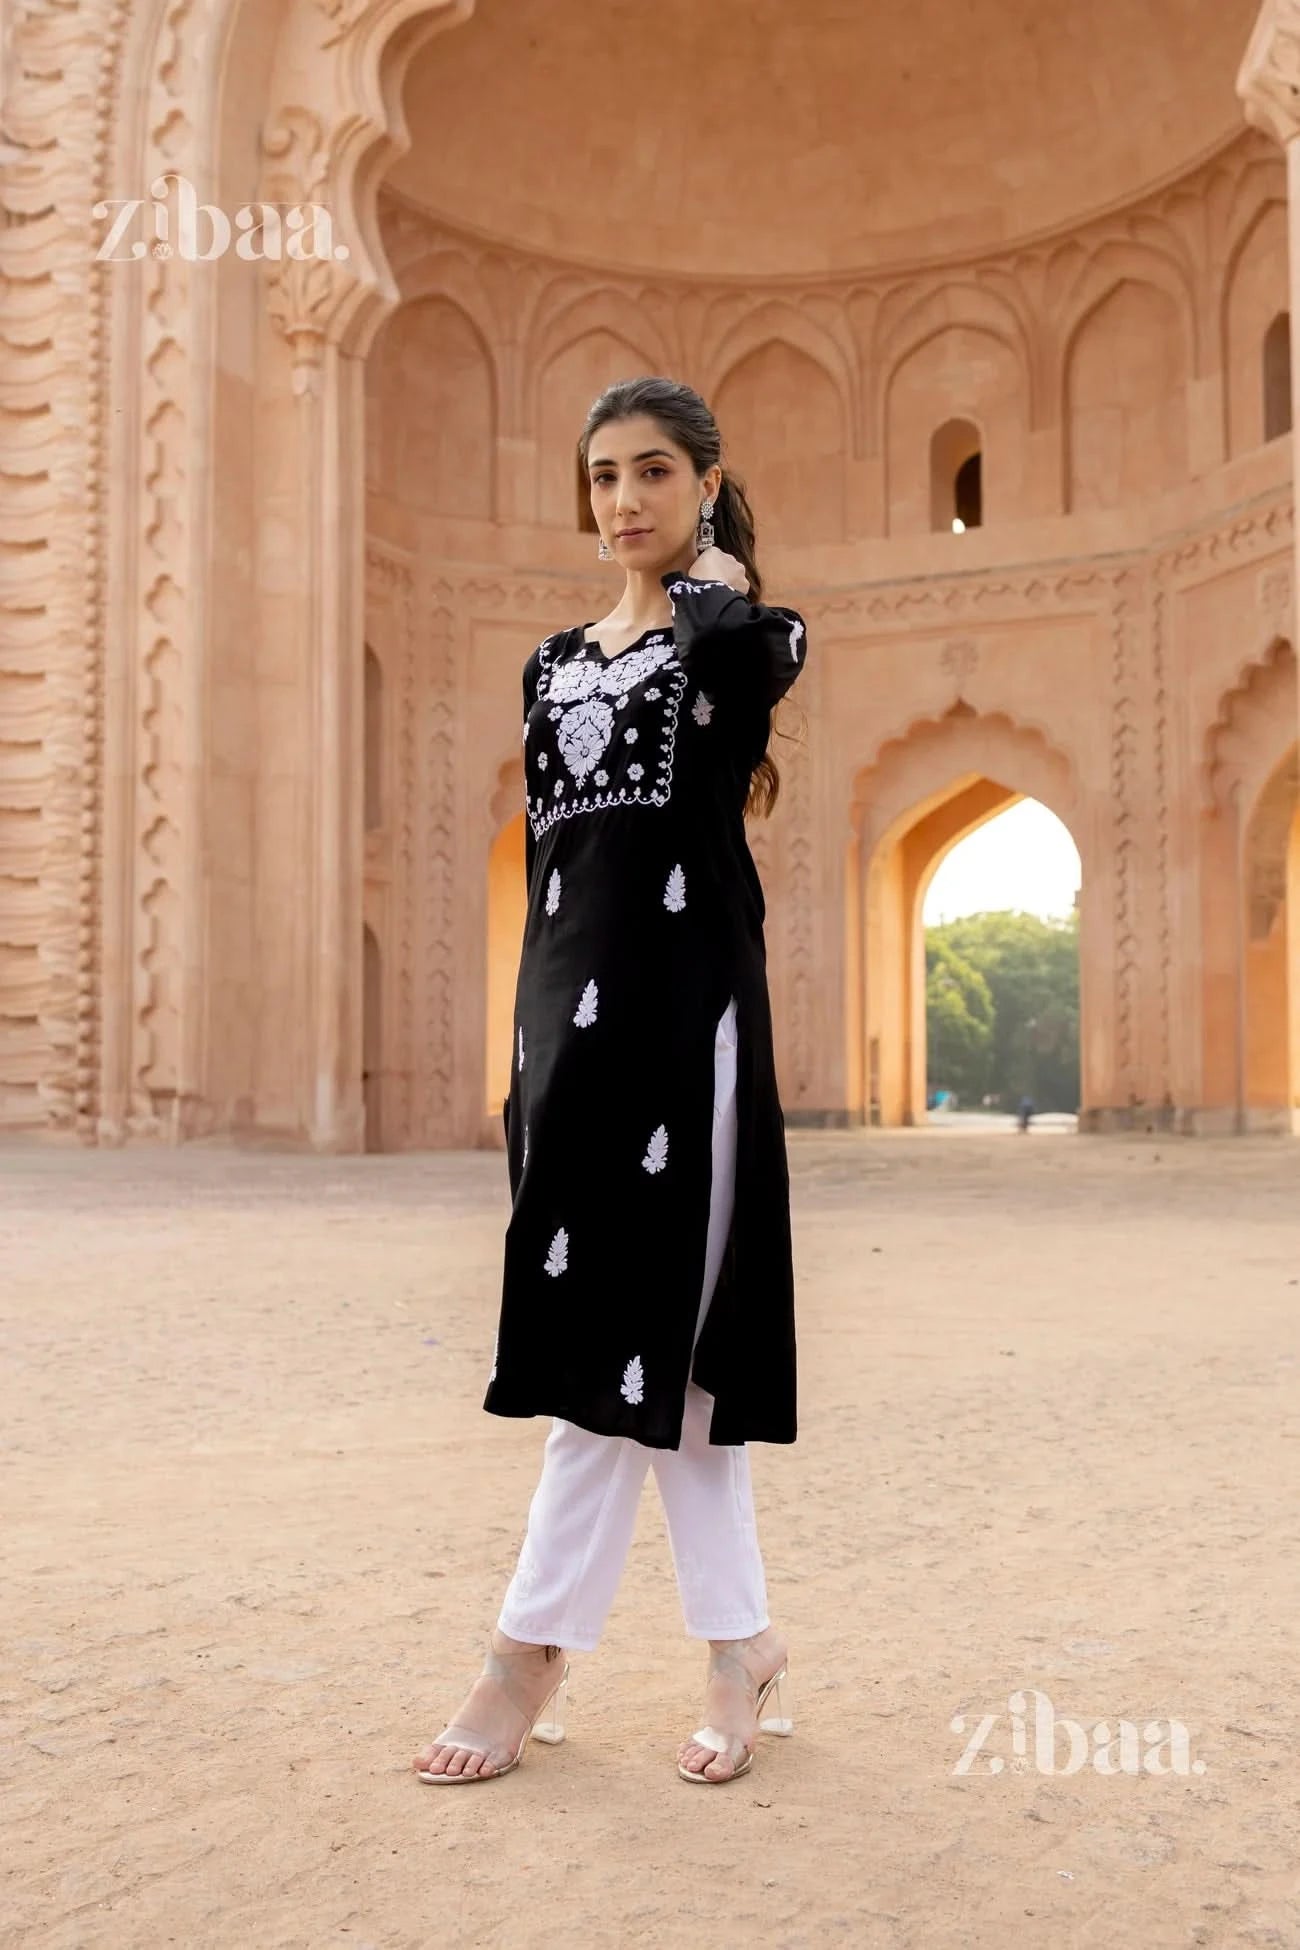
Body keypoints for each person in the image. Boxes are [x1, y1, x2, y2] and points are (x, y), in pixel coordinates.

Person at [412, 376, 809, 1788]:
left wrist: (713, 583)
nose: (625, 499)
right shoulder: (549, 665)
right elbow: (554, 871)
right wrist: (531, 1053)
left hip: (686, 1025)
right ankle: (741, 1643)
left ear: (706, 481)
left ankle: (525, 1654)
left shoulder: (747, 635)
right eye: (602, 476)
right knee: (644, 1354)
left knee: (636, 1349)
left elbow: (747, 669)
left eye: (653, 471)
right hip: (567, 1036)